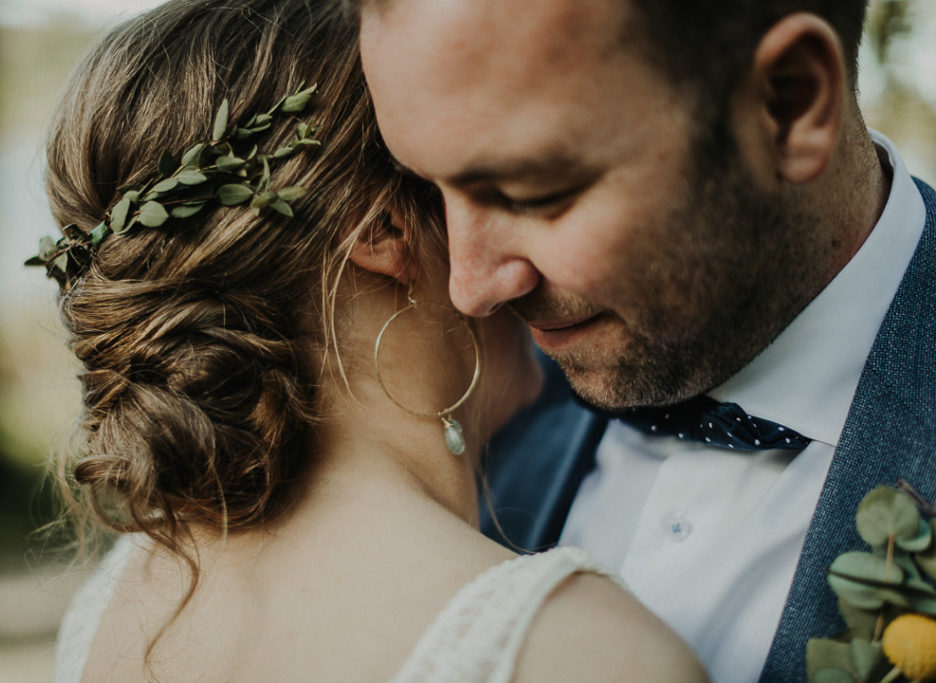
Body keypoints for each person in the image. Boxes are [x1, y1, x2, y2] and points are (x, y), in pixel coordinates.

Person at [37, 1, 706, 681]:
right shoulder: (574, 651)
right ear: (382, 227)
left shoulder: (118, 604)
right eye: (481, 185)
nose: (497, 269)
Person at [355, 0, 936, 681]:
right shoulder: (469, 416)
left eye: (531, 190)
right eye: (427, 190)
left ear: (788, 105)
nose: (471, 288)